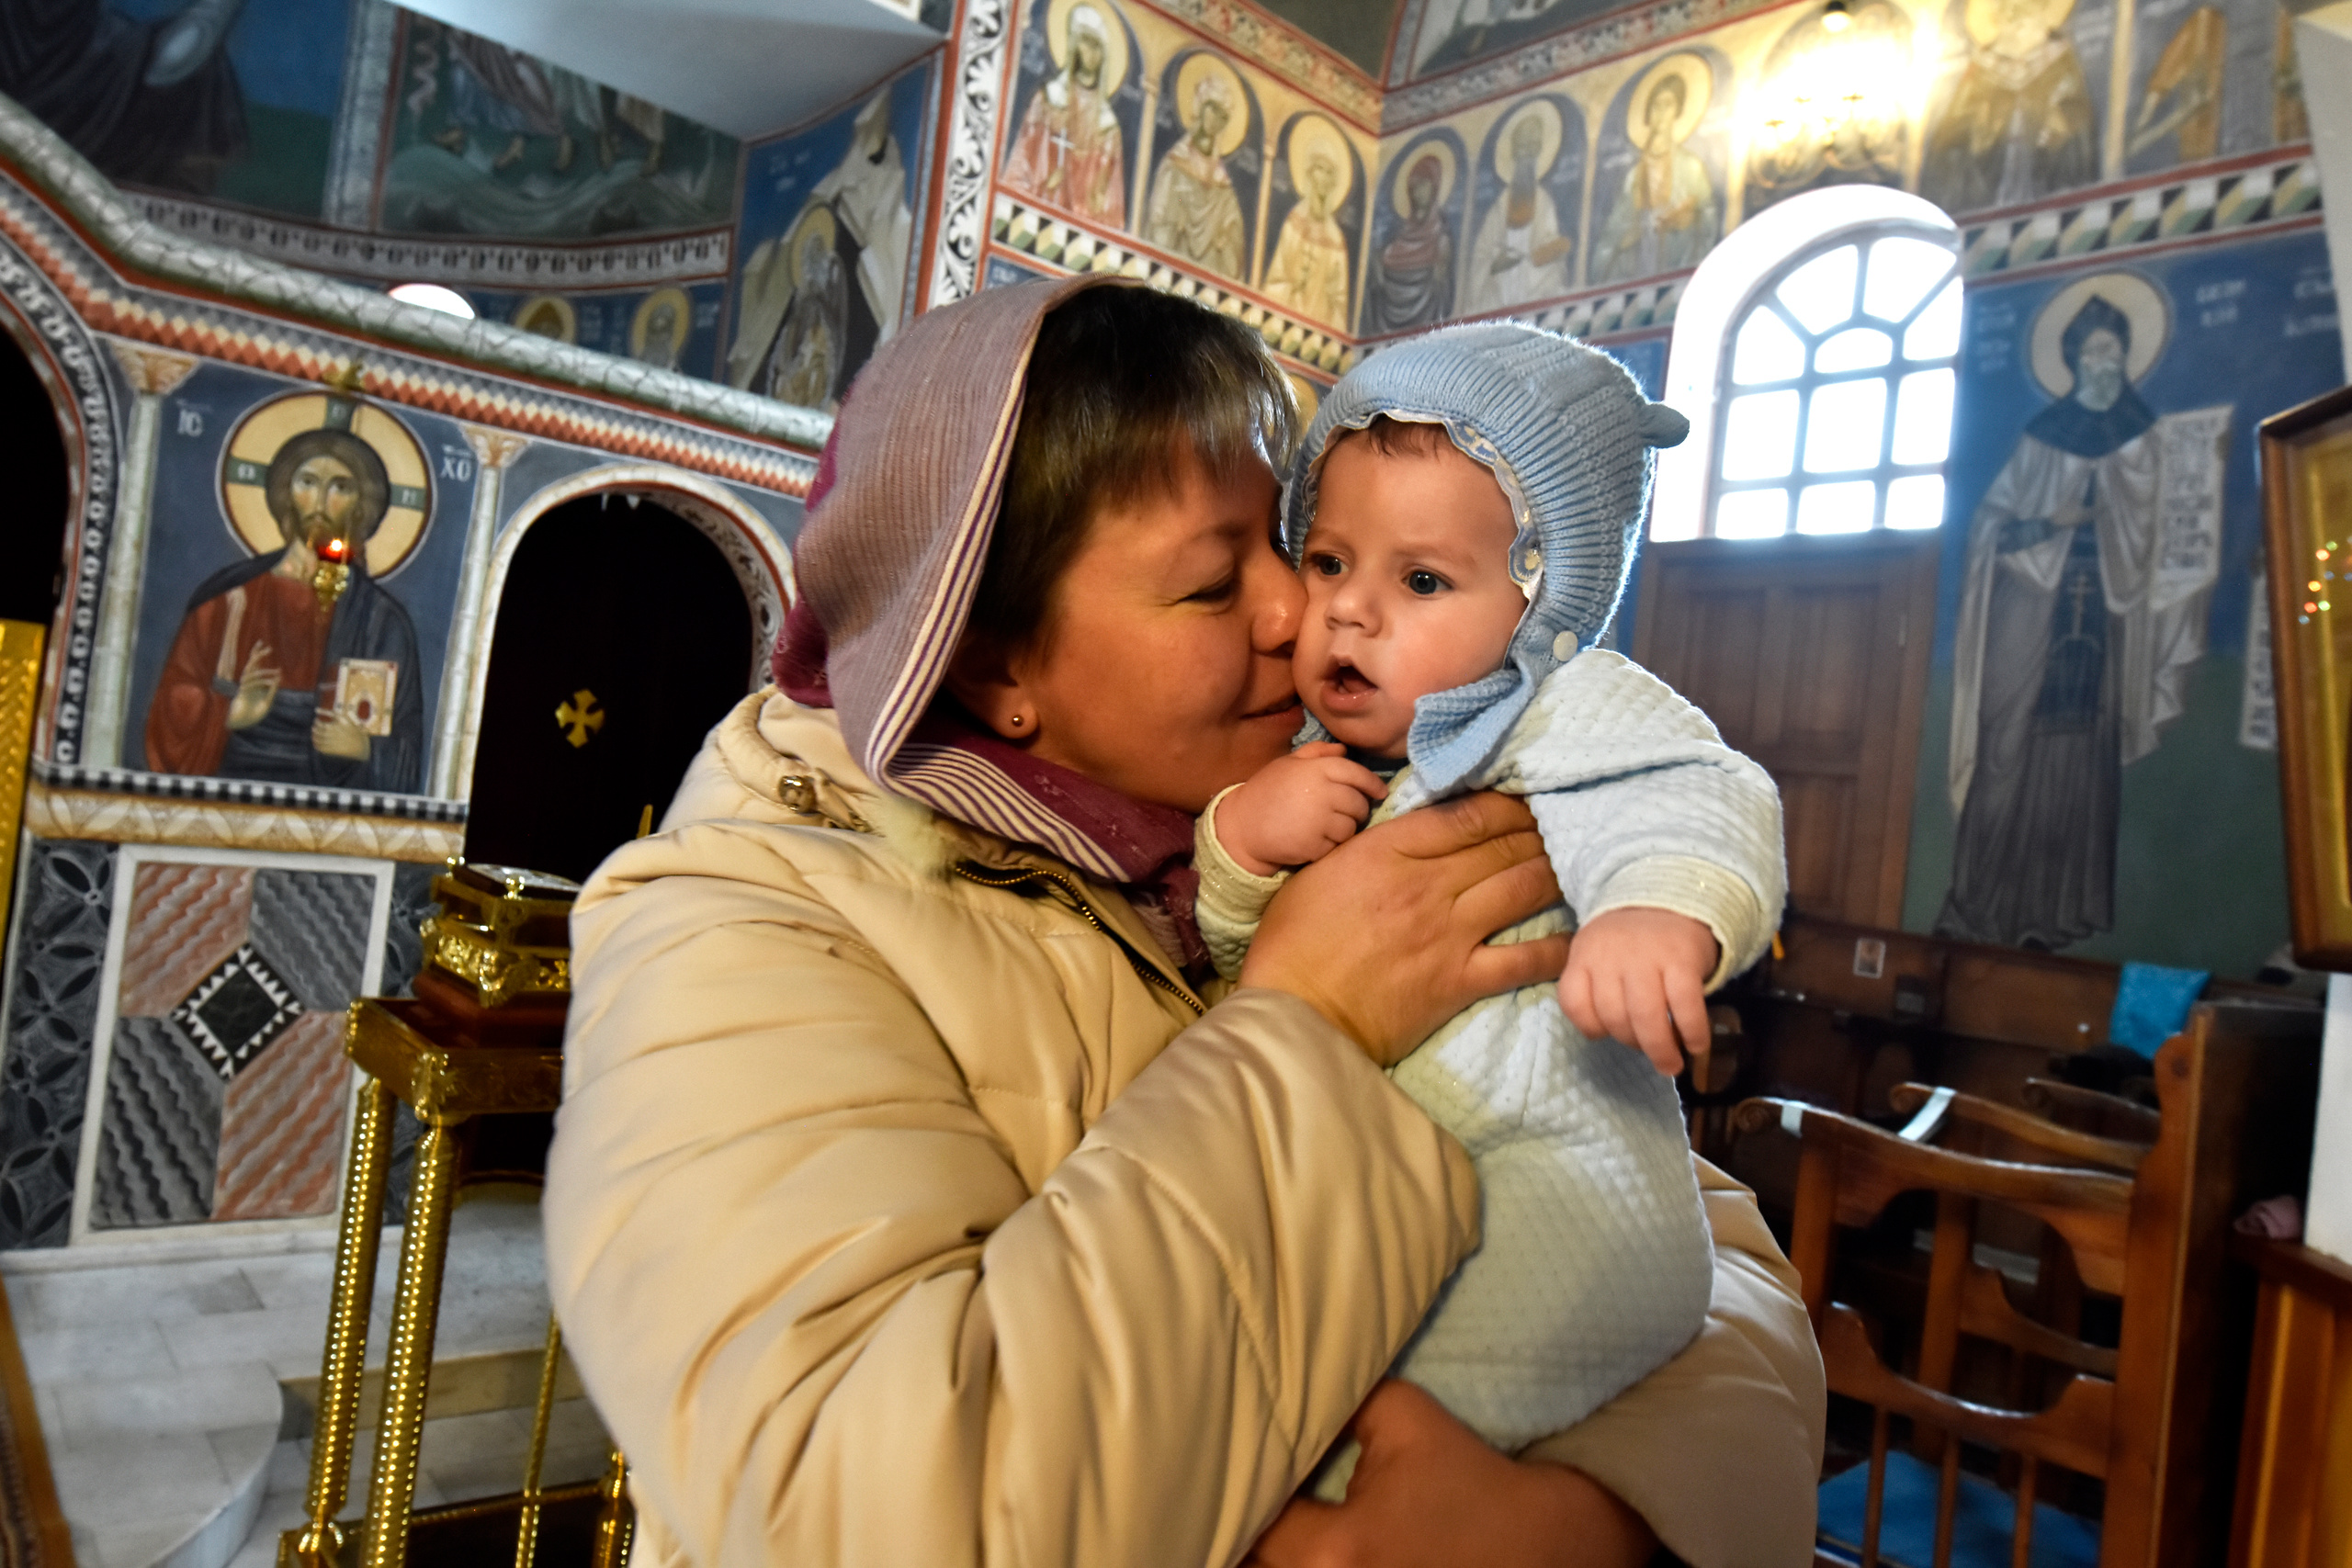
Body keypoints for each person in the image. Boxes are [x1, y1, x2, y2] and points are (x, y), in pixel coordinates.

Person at [543, 276, 1825, 1567]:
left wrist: (1593, 1525)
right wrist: (1310, 1026)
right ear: (991, 658)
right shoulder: (734, 933)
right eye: (1219, 583)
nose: (1302, 609)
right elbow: (863, 1512)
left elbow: (1709, 1252)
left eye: (1294, 540)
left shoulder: (1365, 806)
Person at [1195, 324, 1783, 1489]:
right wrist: (1240, 846)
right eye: (1325, 561)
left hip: (1554, 1178)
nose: (1350, 613)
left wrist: (1656, 912)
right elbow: (1228, 954)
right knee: (1284, 1390)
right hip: (1371, 1180)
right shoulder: (1305, 754)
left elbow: (1696, 794)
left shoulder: (1557, 709)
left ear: (1539, 603)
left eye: (1420, 581)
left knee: (1378, 1441)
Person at [1939, 295, 2181, 949]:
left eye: (2116, 352)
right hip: (2026, 618)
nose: (2106, 363)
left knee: (2084, 756)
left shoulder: (2142, 436)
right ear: (2073, 360)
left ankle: (2060, 912)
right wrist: (2052, 522)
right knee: (2007, 749)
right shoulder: (2044, 434)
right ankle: (1981, 905)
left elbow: (2157, 537)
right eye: (2095, 352)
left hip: (2099, 624)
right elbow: (1992, 526)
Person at [144, 425, 424, 793]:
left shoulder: (382, 622)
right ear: (287, 494)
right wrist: (228, 712)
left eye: (341, 487)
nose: (321, 500)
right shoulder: (227, 601)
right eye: (307, 482)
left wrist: (366, 748)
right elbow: (170, 709)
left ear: (361, 505)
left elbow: (408, 744)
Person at [1000, 2, 1126, 226]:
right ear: (1074, 45)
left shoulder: (1108, 127)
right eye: (1086, 42)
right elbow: (1019, 169)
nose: (1092, 53)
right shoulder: (1048, 100)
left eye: (1097, 46)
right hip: (1033, 218)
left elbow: (1111, 206)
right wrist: (1045, 186)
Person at [1590, 70, 1719, 286]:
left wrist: (1687, 219)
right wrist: (1624, 240)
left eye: (1667, 105)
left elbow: (1708, 217)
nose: (1660, 112)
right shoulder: (1634, 175)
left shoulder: (1690, 167)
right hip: (1638, 262)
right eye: (1655, 105)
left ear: (1677, 111)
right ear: (1648, 112)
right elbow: (1614, 229)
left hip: (1678, 264)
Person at [1143, 67, 1248, 279]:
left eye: (1223, 116)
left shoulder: (1222, 185)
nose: (1216, 120)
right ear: (1200, 107)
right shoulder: (1175, 164)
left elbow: (1233, 234)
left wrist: (1226, 236)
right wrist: (1179, 207)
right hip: (1171, 270)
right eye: (1212, 109)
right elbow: (1159, 220)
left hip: (1208, 276)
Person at [1465, 114, 1573, 314]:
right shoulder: (1498, 209)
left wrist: (1551, 250)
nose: (1526, 153)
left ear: (1540, 150)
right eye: (1522, 145)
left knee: (1550, 274)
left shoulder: (1544, 202)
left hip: (1534, 280)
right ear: (1513, 151)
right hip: (1499, 285)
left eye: (1532, 146)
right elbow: (1481, 256)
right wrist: (1497, 261)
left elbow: (1550, 249)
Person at [1366, 154, 1455, 334]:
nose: (1417, 193)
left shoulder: (1441, 240)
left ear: (1435, 187)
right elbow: (1384, 262)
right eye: (1413, 187)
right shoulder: (1400, 237)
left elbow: (1441, 288)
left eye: (1423, 185)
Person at [1264, 151, 1351, 330]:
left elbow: (1340, 301)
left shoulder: (1336, 240)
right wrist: (1294, 285)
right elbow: (1276, 278)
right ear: (1310, 174)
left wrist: (1331, 294)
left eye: (1330, 173)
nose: (1325, 179)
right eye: (1320, 169)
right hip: (1283, 321)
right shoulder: (1294, 223)